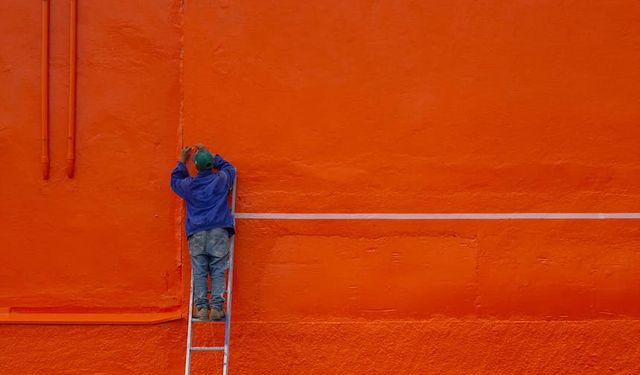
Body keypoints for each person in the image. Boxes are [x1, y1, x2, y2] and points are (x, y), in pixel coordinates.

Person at [170, 144, 236, 321]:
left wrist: (182, 162)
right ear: (211, 165)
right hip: (218, 231)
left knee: (199, 270)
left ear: (196, 166)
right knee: (218, 270)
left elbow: (175, 182)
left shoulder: (189, 185)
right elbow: (231, 169)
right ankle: (216, 308)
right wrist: (213, 156)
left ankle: (201, 308)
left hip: (197, 232)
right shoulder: (221, 179)